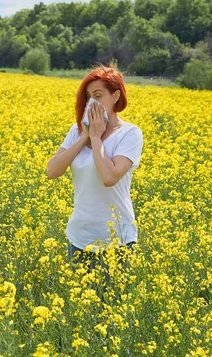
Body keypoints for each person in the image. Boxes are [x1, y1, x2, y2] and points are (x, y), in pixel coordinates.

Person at [46, 64, 144, 303]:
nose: (92, 103)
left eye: (98, 96)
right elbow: (52, 171)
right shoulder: (76, 131)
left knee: (111, 309)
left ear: (116, 96)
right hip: (79, 235)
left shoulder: (129, 134)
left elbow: (109, 177)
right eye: (88, 97)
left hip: (116, 240)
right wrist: (84, 137)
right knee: (81, 309)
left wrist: (97, 139)